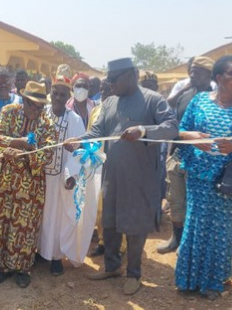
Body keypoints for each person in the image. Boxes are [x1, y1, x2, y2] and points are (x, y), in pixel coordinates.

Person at [67, 58, 178, 295]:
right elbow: (97, 132)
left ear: (130, 76)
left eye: (113, 79)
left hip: (140, 179)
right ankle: (112, 266)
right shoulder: (109, 104)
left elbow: (171, 127)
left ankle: (134, 274)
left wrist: (144, 130)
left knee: (135, 227)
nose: (110, 83)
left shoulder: (152, 99)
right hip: (112, 176)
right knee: (110, 223)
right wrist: (79, 142)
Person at [174, 56, 232, 300]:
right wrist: (193, 137)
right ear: (218, 78)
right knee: (195, 225)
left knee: (220, 230)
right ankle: (188, 279)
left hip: (228, 179)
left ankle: (213, 281)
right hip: (198, 175)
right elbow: (179, 131)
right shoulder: (200, 100)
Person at [0, 81, 56, 288]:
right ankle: (2, 267)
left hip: (31, 185)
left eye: (41, 106)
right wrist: (16, 143)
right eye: (33, 105)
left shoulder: (46, 124)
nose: (37, 110)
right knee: (3, 221)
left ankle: (23, 268)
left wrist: (25, 154)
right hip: (6, 182)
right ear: (24, 100)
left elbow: (48, 151)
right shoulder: (8, 112)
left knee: (26, 226)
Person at [158, 56, 214, 254]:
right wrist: (171, 154)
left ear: (209, 74)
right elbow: (176, 125)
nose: (192, 75)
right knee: (175, 200)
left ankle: (194, 244)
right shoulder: (185, 95)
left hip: (202, 160)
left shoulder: (215, 97)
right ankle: (176, 238)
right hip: (178, 155)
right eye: (191, 71)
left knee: (195, 203)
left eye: (197, 72)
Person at [39, 67, 89, 276]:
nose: (58, 97)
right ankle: (40, 252)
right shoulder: (41, 114)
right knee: (40, 216)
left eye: (62, 94)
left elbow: (79, 152)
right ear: (50, 93)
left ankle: (56, 257)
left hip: (62, 178)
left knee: (59, 218)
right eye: (55, 93)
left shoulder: (75, 120)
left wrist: (71, 175)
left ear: (68, 96)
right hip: (40, 178)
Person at [88, 78, 118, 258]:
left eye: (108, 89)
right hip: (97, 165)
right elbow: (90, 135)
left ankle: (118, 247)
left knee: (115, 207)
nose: (104, 93)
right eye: (102, 90)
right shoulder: (95, 111)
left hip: (116, 165)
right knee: (100, 206)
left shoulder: (122, 111)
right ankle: (102, 241)